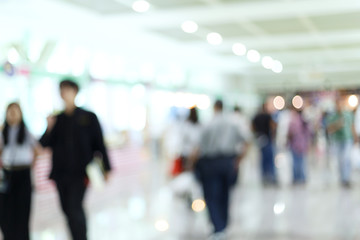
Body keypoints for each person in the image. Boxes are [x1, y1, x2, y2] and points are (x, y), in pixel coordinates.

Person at [39, 79, 111, 240]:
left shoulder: (88, 117)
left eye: (67, 90)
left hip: (80, 173)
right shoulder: (57, 119)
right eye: (61, 90)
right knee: (66, 209)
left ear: (75, 92)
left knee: (74, 207)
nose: (64, 94)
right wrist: (48, 127)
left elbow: (99, 144)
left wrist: (107, 168)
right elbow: (45, 143)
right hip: (60, 173)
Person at [195, 100, 249, 240]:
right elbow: (246, 141)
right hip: (227, 162)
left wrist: (191, 163)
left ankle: (218, 227)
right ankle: (223, 225)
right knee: (225, 194)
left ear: (214, 108)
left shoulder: (208, 124)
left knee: (212, 196)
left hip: (210, 163)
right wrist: (238, 159)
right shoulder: (232, 124)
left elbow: (198, 146)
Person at [0, 102, 42, 240]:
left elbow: (38, 150)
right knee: (6, 211)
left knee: (22, 211)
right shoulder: (2, 132)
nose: (12, 113)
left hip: (23, 173)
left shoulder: (26, 132)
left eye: (15, 111)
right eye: (10, 111)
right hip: (7, 174)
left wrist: (31, 164)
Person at [326, 94, 357, 188]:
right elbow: (329, 129)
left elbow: (352, 125)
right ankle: (342, 178)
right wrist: (337, 125)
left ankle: (346, 178)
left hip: (347, 139)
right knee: (340, 160)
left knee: (346, 159)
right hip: (338, 140)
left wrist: (355, 136)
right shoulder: (332, 116)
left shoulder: (348, 114)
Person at [252, 103, 278, 186]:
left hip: (260, 139)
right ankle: (271, 177)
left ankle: (264, 177)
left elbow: (252, 127)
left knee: (263, 159)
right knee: (269, 159)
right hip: (267, 138)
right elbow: (273, 126)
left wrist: (256, 134)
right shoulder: (268, 116)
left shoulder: (256, 117)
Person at [287, 105, 311, 185]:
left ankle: (296, 178)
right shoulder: (304, 121)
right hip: (302, 144)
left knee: (295, 162)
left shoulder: (294, 121)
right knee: (301, 162)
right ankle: (302, 178)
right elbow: (309, 134)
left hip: (295, 144)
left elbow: (290, 133)